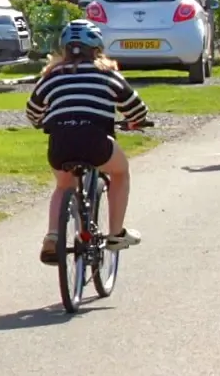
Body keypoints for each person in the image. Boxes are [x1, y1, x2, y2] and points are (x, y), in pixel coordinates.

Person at [25, 20, 149, 264]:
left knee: (63, 185)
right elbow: (136, 108)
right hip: (95, 141)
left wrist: (42, 121)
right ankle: (115, 234)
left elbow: (32, 112)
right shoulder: (107, 74)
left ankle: (52, 236)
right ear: (97, 48)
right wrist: (135, 122)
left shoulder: (52, 76)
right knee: (120, 172)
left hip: (60, 142)